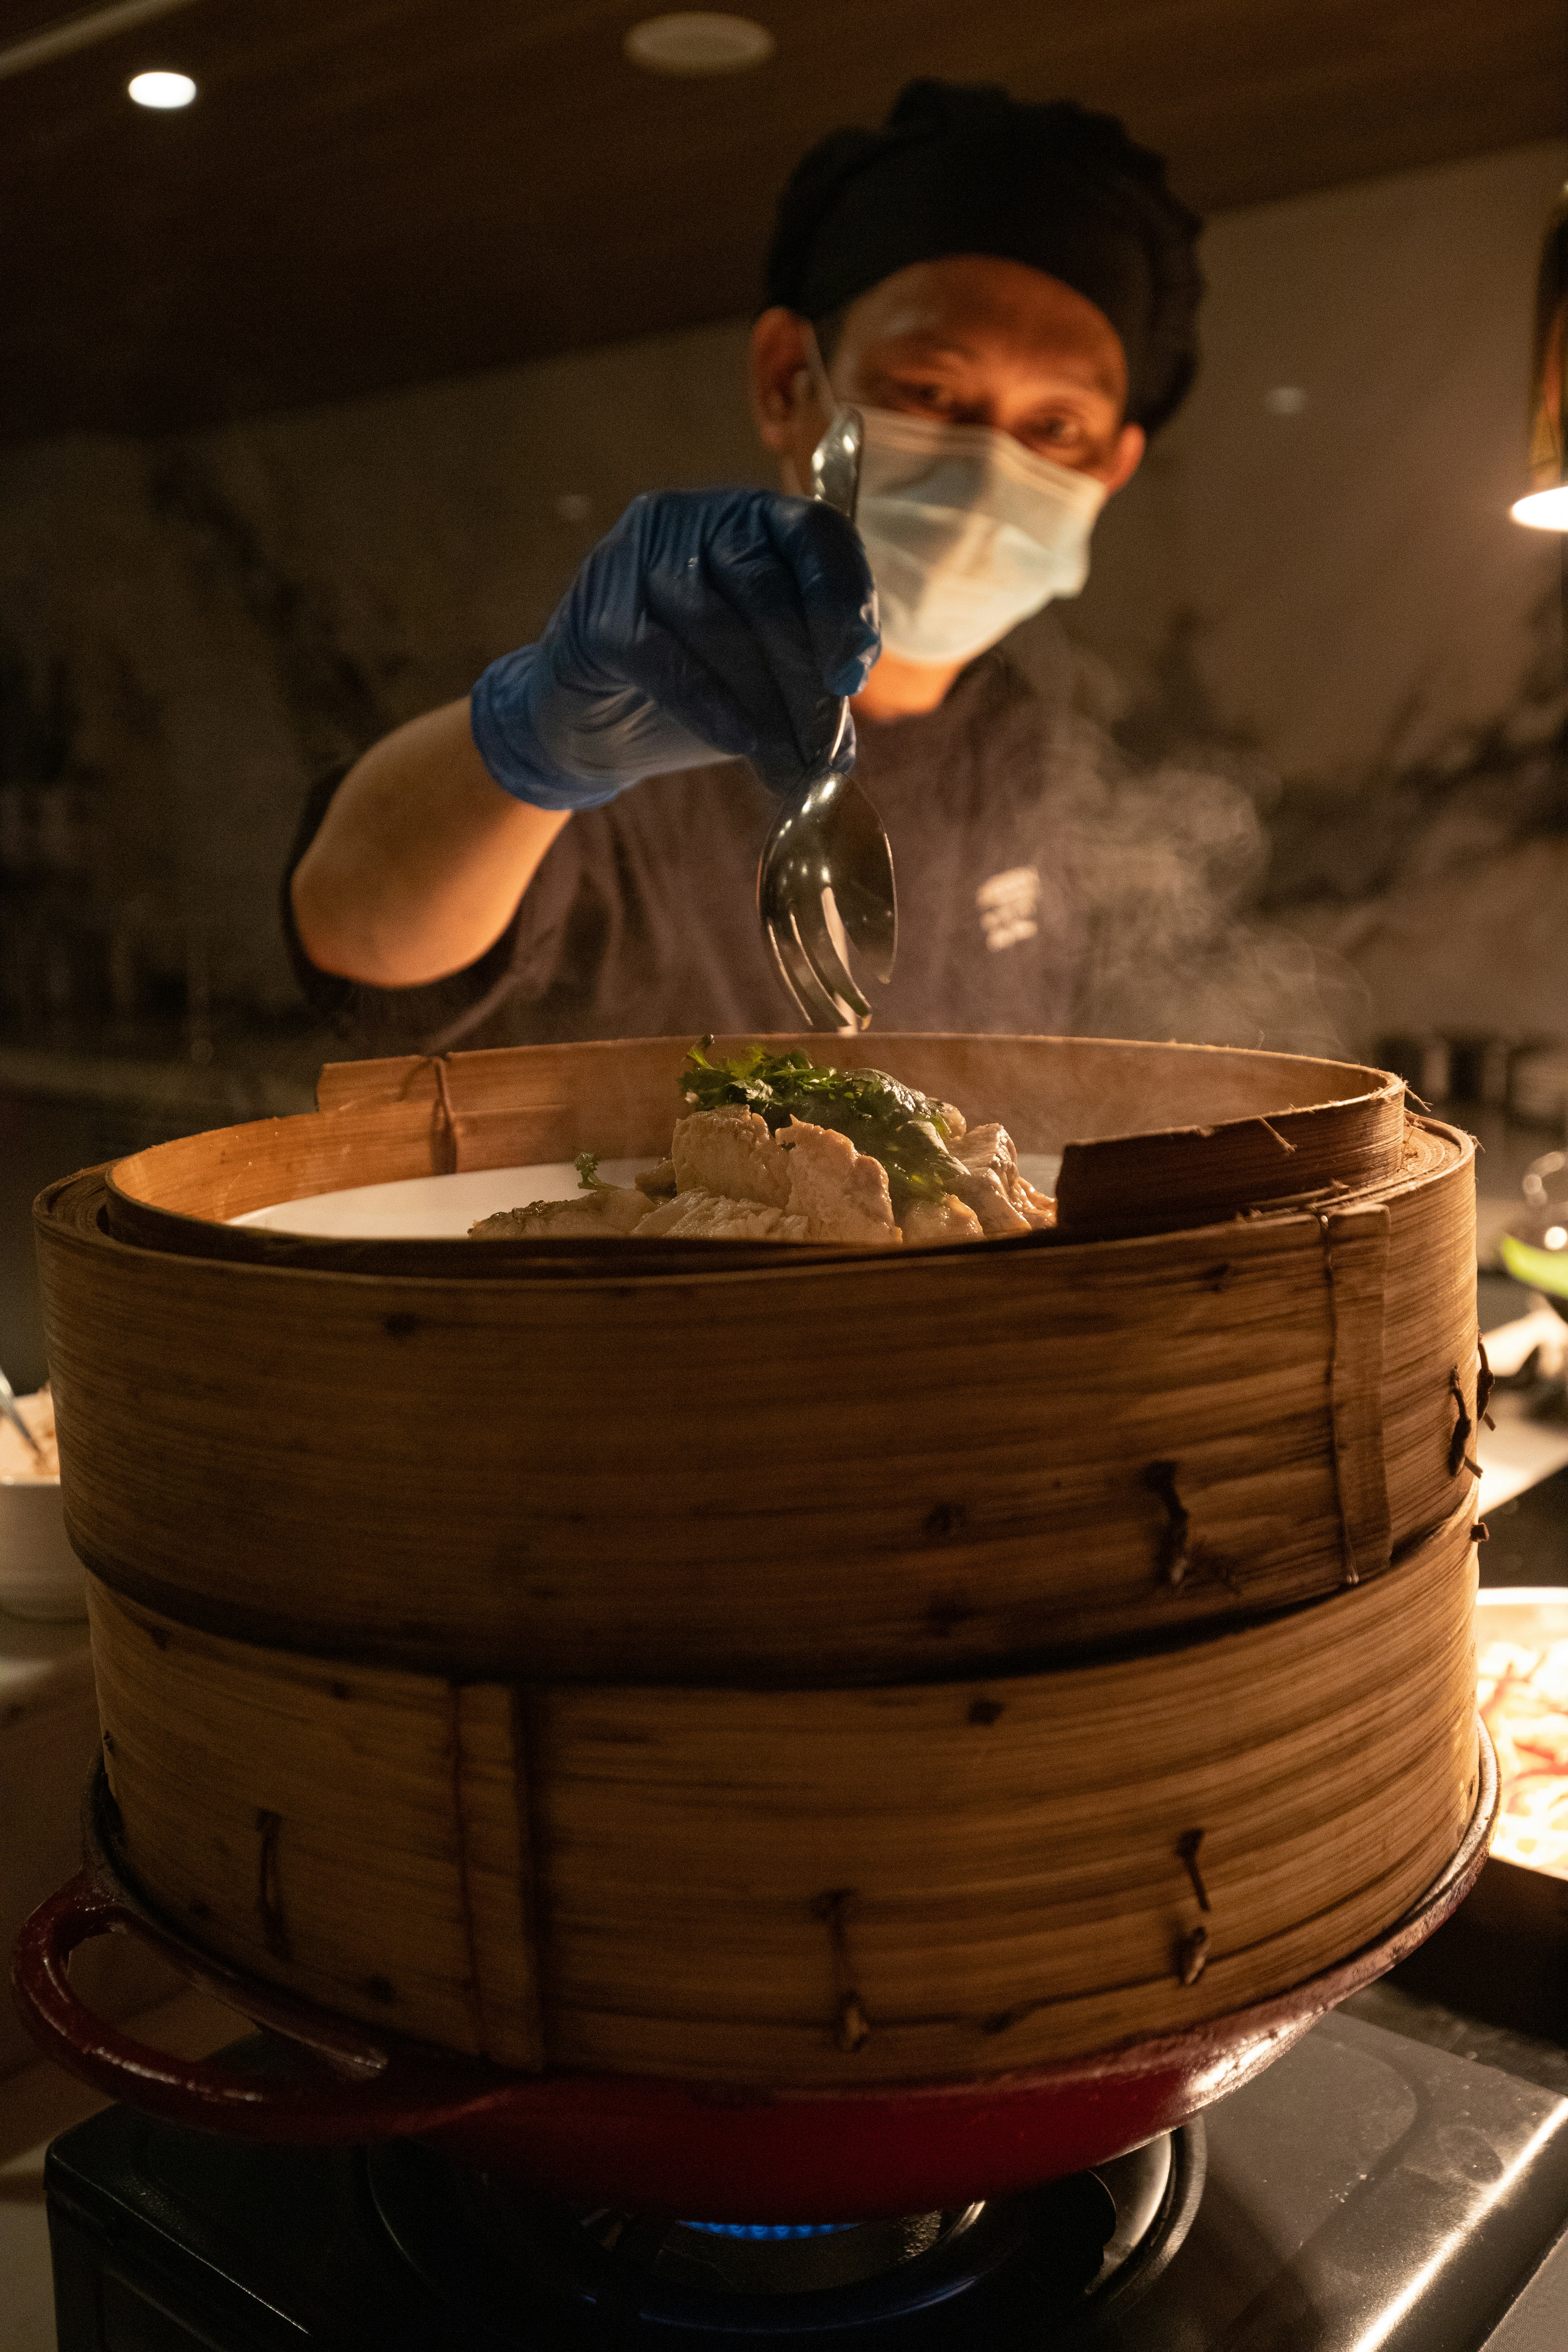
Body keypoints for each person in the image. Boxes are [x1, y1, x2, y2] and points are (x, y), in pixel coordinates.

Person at [285, 80, 1203, 1052]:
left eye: (1055, 425)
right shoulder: (647, 691)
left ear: (1112, 466)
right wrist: (530, 743)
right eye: (929, 391)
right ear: (787, 383)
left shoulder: (1055, 762)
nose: (986, 466)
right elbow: (358, 941)